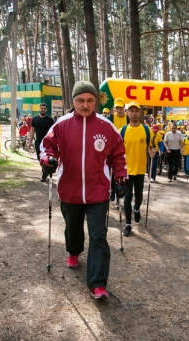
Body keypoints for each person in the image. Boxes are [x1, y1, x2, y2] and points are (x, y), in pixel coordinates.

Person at [40, 81, 127, 300]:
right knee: (73, 227)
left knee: (99, 236)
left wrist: (120, 177)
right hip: (70, 189)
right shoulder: (61, 124)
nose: (85, 105)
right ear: (74, 101)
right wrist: (48, 159)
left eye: (89, 100)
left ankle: (97, 283)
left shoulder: (107, 127)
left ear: (95, 102)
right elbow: (47, 146)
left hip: (97, 191)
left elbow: (118, 154)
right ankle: (74, 250)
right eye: (80, 100)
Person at [118, 101, 152, 237]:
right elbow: (118, 150)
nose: (134, 113)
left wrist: (153, 151)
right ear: (127, 113)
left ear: (140, 113)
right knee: (128, 196)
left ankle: (136, 208)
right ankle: (128, 224)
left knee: (139, 197)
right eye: (131, 111)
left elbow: (151, 146)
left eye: (136, 111)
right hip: (127, 169)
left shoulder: (146, 130)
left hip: (140, 169)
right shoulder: (123, 131)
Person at [29, 103, 55, 182]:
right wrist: (30, 142)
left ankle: (44, 175)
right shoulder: (35, 119)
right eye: (42, 108)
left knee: (45, 158)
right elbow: (32, 131)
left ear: (46, 110)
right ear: (39, 109)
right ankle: (45, 170)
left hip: (47, 142)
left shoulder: (50, 120)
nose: (43, 110)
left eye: (44, 108)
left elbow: (53, 131)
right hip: (38, 142)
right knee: (39, 158)